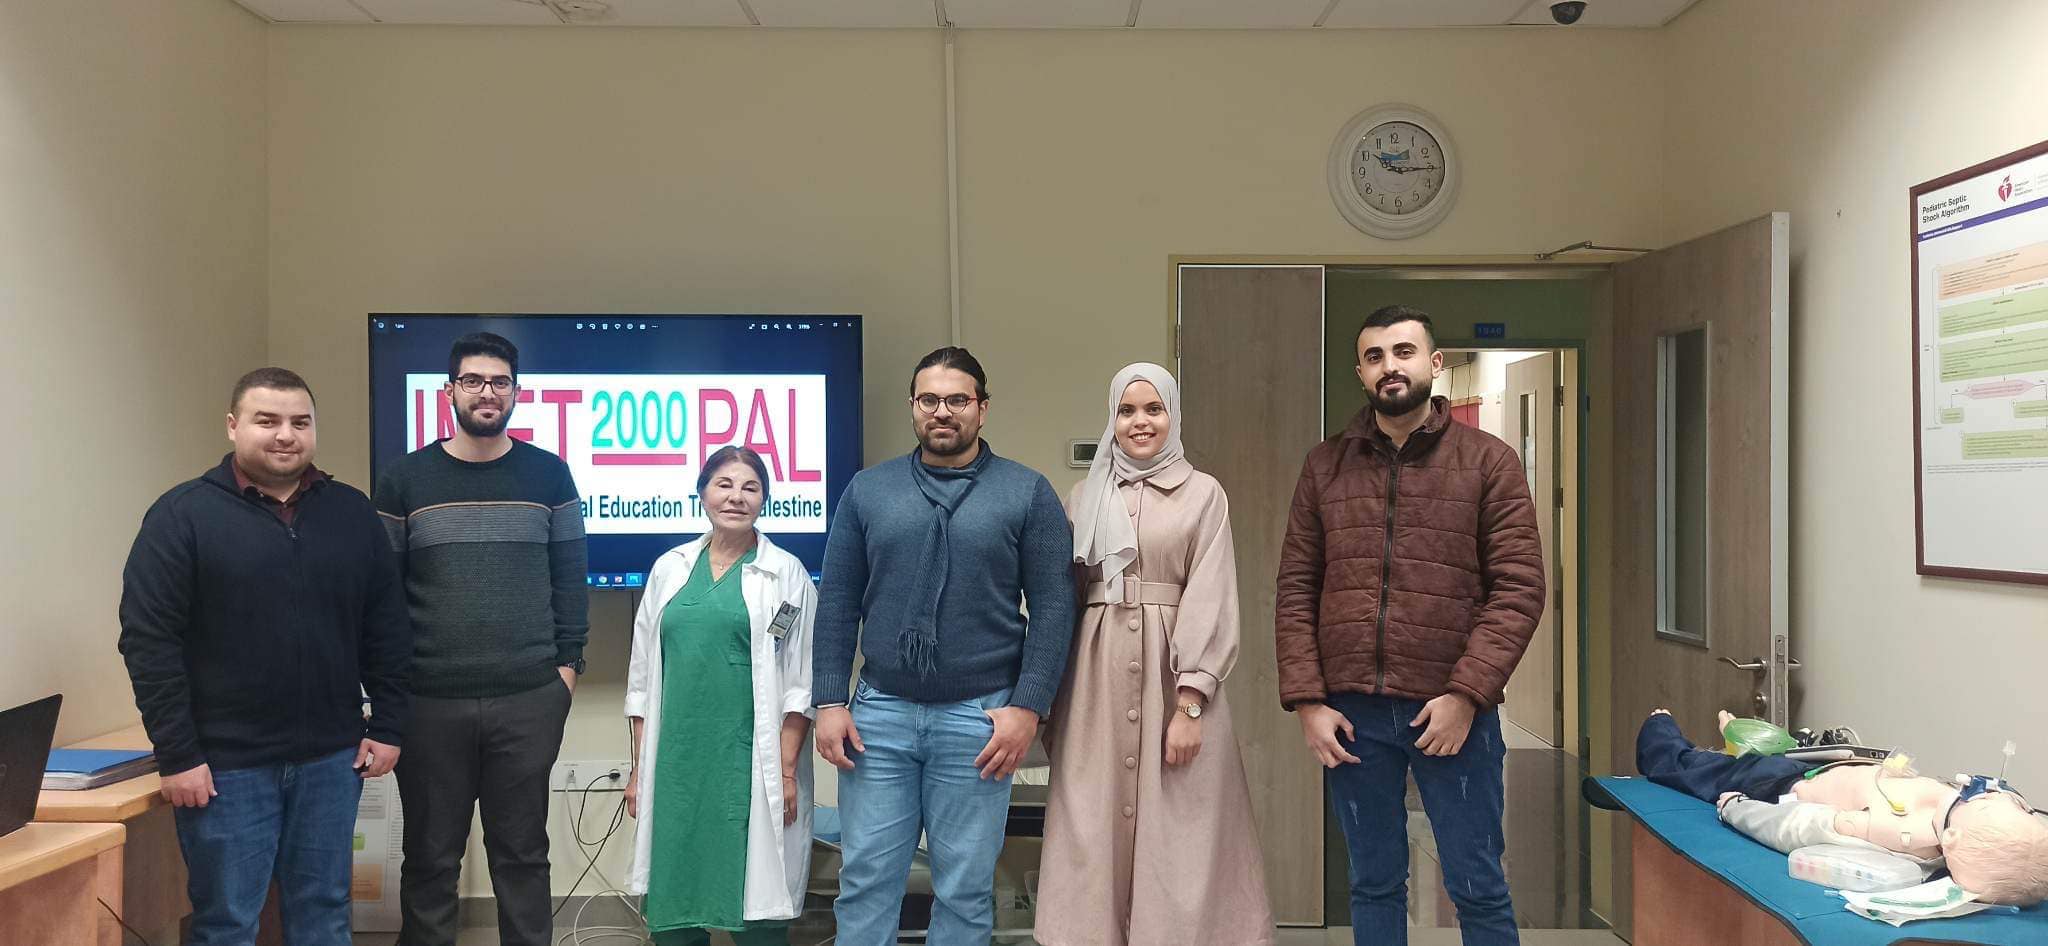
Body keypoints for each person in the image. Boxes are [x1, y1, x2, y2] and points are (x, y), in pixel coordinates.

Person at [1275, 305, 1546, 946]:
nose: (1389, 367)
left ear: (1434, 362)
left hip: (1452, 714)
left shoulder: (1489, 462)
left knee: (1477, 884)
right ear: (1360, 373)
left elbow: (1519, 588)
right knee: (1372, 883)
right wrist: (1308, 701)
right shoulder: (1325, 466)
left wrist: (1466, 696)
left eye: (1403, 352)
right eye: (1374, 357)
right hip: (1352, 716)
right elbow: (1296, 589)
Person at [118, 367, 411, 946]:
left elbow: (386, 627)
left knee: (324, 914)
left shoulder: (351, 512)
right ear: (233, 426)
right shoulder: (182, 515)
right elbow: (149, 641)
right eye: (267, 420)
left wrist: (390, 724)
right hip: (225, 768)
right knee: (226, 923)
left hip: (332, 760)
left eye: (300, 422)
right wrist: (178, 754)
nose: (285, 435)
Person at [812, 346, 1077, 946]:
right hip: (878, 719)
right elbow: (838, 600)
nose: (942, 411)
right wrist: (829, 700)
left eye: (958, 399)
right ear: (913, 406)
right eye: (929, 399)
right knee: (866, 881)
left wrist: (1028, 708)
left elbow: (1055, 608)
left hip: (980, 721)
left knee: (964, 890)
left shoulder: (1026, 492)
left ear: (982, 408)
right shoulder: (868, 491)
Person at [1037, 363, 1274, 946]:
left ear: (1173, 415)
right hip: (1093, 680)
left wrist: (1190, 702)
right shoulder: (1083, 496)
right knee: (1090, 821)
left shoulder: (1204, 493)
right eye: (1126, 411)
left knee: (1183, 826)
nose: (1139, 422)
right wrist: (1048, 698)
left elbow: (1211, 593)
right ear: (1111, 419)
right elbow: (1060, 598)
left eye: (1153, 409)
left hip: (1173, 681)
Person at [372, 332, 589, 946]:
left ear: (516, 392)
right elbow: (382, 598)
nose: (486, 392)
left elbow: (570, 581)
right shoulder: (404, 479)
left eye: (499, 382)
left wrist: (565, 674)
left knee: (523, 857)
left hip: (528, 699)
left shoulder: (549, 475)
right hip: (428, 704)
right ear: (450, 391)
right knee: (430, 860)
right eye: (473, 381)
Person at [622, 447, 817, 945]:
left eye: (750, 487)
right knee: (675, 905)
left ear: (764, 500)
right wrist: (639, 770)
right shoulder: (669, 569)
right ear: (702, 493)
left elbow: (801, 682)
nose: (736, 497)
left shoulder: (785, 573)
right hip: (677, 766)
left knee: (757, 908)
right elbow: (642, 682)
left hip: (749, 762)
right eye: (724, 484)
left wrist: (786, 771)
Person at [1635, 709, 2048, 906]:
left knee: (1700, 770)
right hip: (1830, 766)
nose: (1987, 791)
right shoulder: (1956, 806)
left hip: (1781, 787)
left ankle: (1660, 732)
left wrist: (1736, 808)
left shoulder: (1896, 837)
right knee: (1776, 752)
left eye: (1986, 799)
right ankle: (1741, 736)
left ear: (1954, 839)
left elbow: (1798, 827)